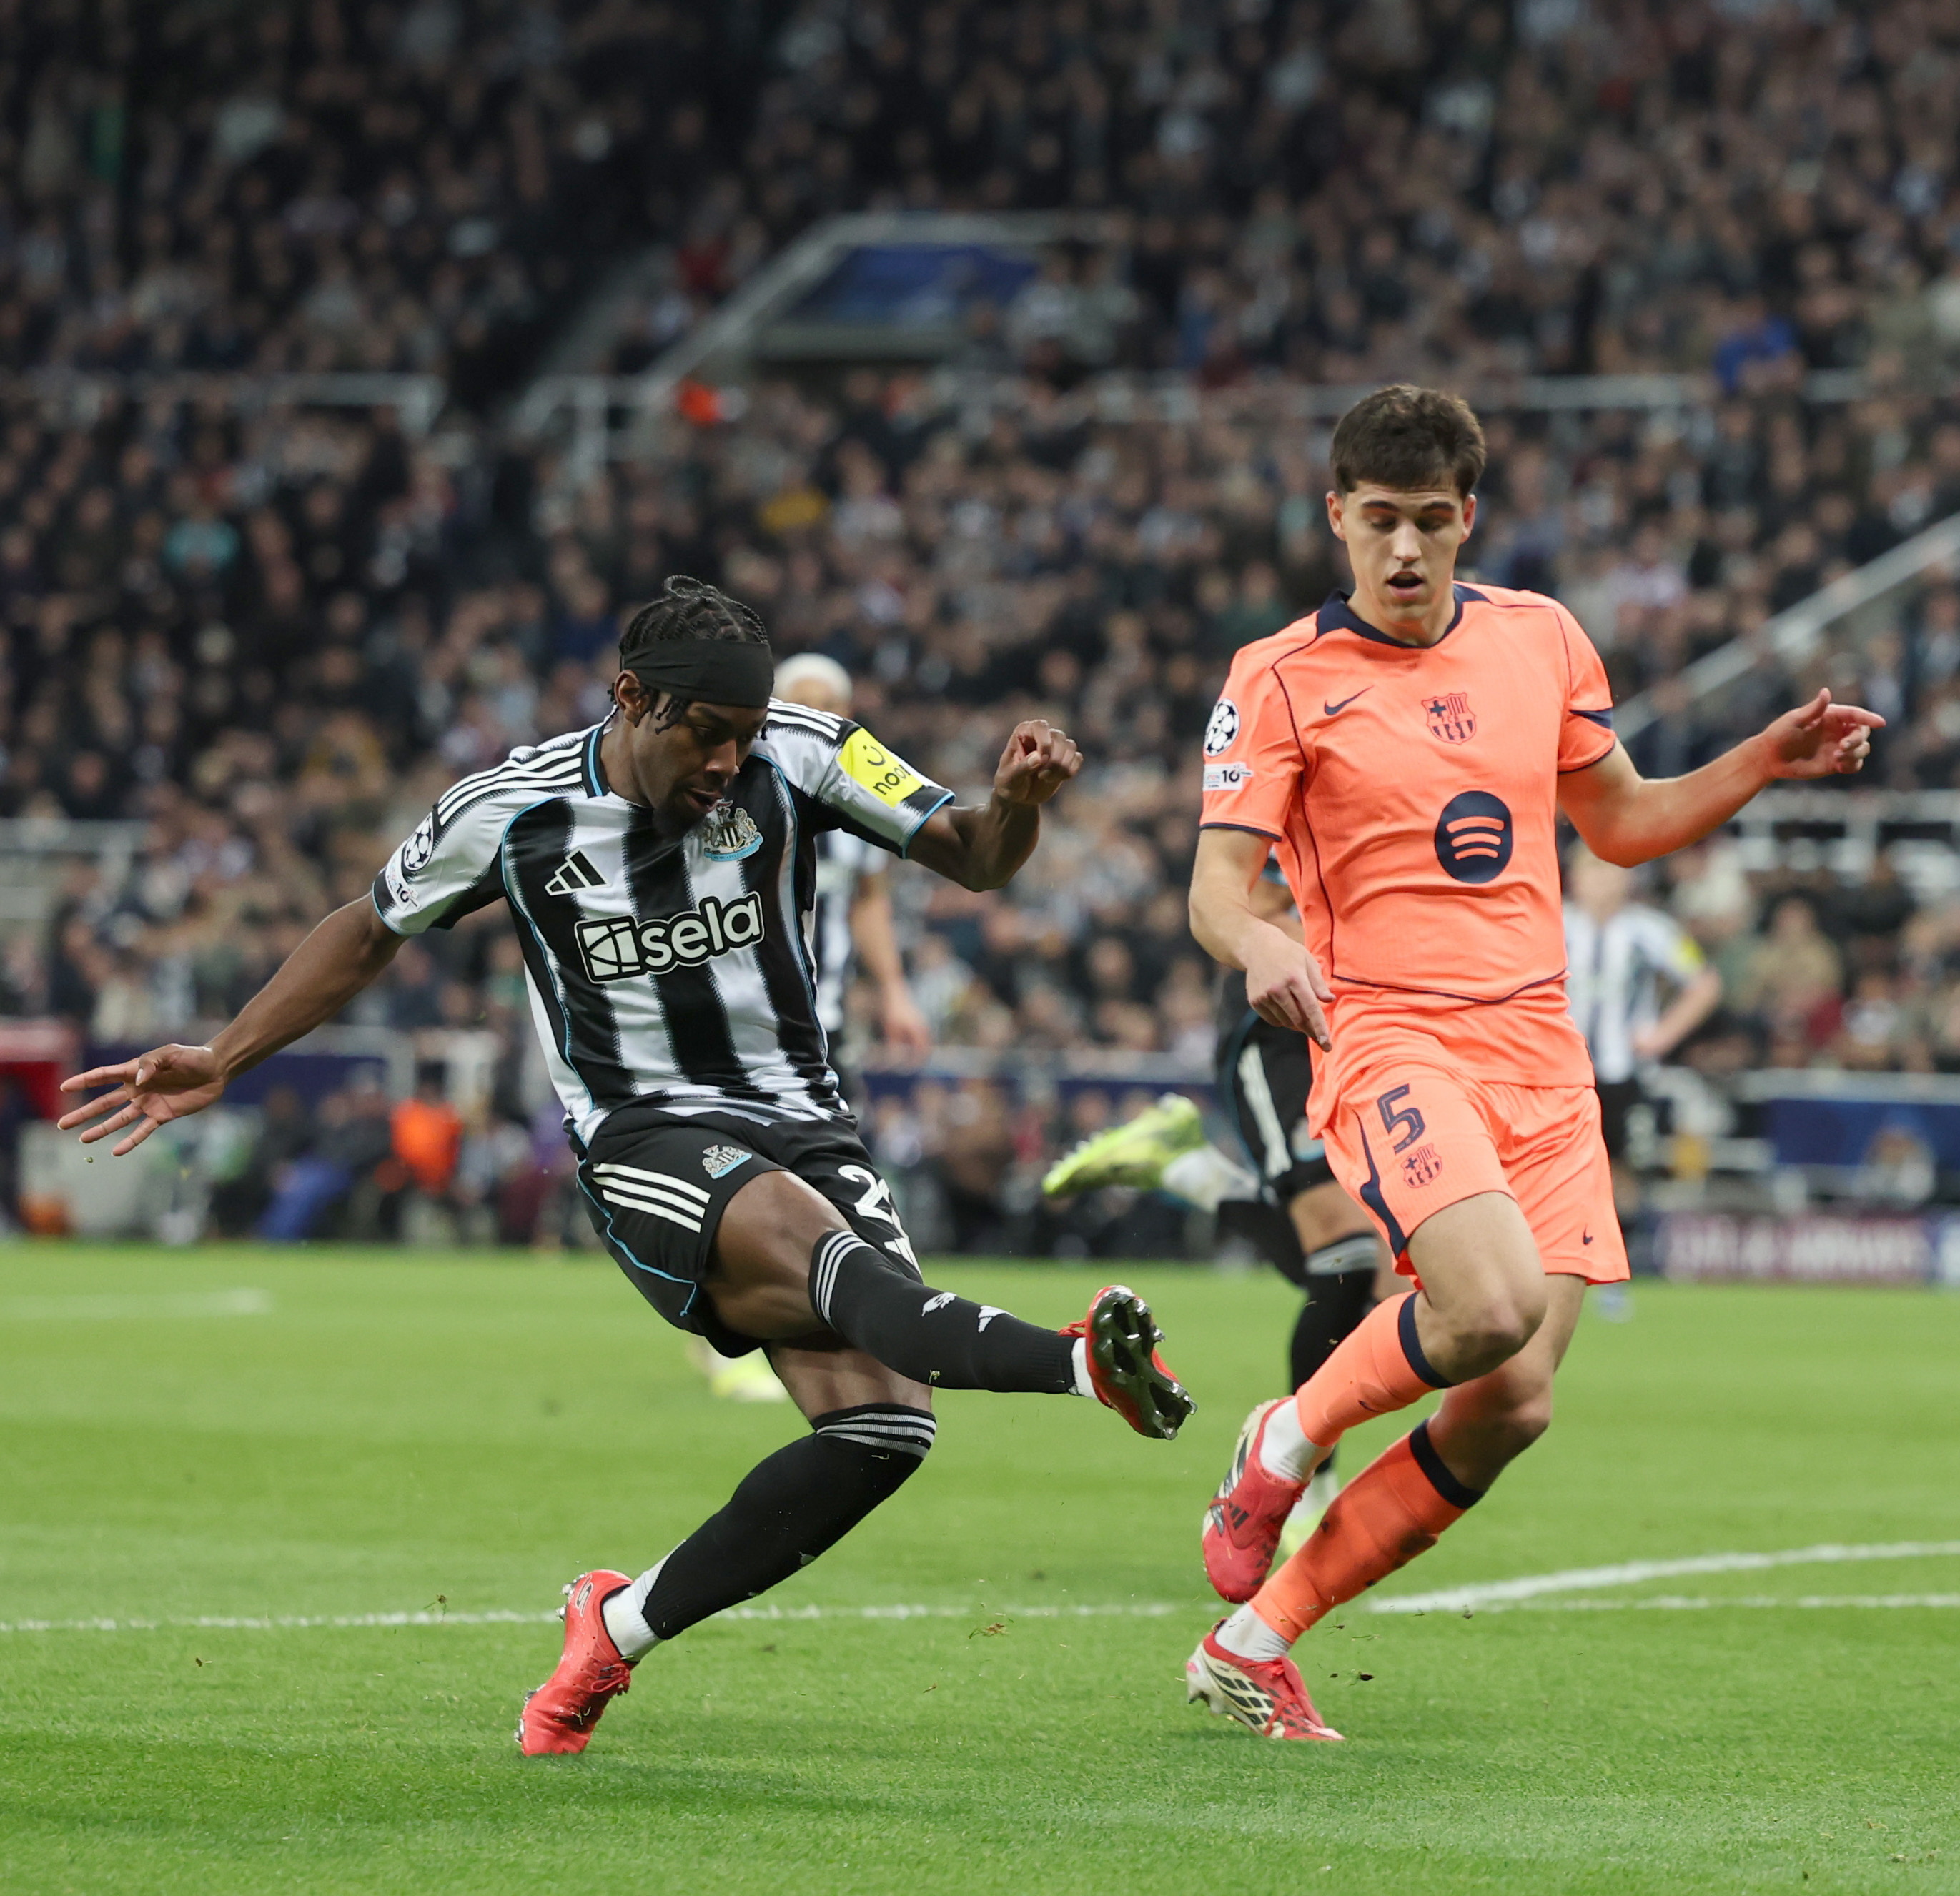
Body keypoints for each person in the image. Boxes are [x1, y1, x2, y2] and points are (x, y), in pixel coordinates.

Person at [59, 576, 1194, 1757]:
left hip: (803, 1119)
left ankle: (616, 1622)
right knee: (833, 1261)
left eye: (743, 736)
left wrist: (1015, 805)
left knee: (881, 1432)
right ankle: (1076, 1366)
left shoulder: (804, 752)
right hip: (643, 1137)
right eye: (706, 732)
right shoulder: (511, 809)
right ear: (632, 698)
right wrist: (228, 1053)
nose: (726, 760)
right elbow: (366, 927)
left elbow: (972, 855)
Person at [1183, 385, 1880, 1739]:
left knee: (1512, 1398)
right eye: (1375, 522)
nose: (1401, 552)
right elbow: (1214, 887)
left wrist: (1763, 758)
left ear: (1467, 521)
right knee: (1488, 1306)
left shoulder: (1540, 638)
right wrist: (1254, 952)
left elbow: (1618, 823)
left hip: (1540, 1056)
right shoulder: (1275, 677)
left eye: (1428, 523)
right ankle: (1280, 1441)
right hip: (1388, 1036)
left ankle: (1255, 1638)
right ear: (1334, 516)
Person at [1043, 860, 1400, 1546]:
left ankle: (1186, 1167)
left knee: (1365, 1278)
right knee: (1347, 1254)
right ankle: (1305, 1480)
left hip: (1347, 1028)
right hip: (1279, 1021)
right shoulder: (1289, 785)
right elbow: (1228, 889)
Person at [678, 651, 931, 1405]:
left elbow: (866, 904)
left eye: (831, 702)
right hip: (734, 1025)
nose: (817, 713)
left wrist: (892, 989)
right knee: (724, 1177)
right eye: (803, 700)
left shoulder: (852, 802)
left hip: (815, 1029)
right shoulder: (727, 799)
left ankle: (826, 1324)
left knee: (822, 1178)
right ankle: (722, 1341)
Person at [1562, 846, 1722, 1270]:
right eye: (1591, 870)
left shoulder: (1648, 930)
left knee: (1622, 1166)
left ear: (1628, 880)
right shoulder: (1553, 925)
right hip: (1560, 1072)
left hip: (1622, 1071)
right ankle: (1557, 1257)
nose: (1600, 881)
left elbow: (1704, 984)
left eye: (1609, 870)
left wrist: (1661, 1036)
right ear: (1574, 877)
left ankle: (1618, 1264)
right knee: (1555, 1165)